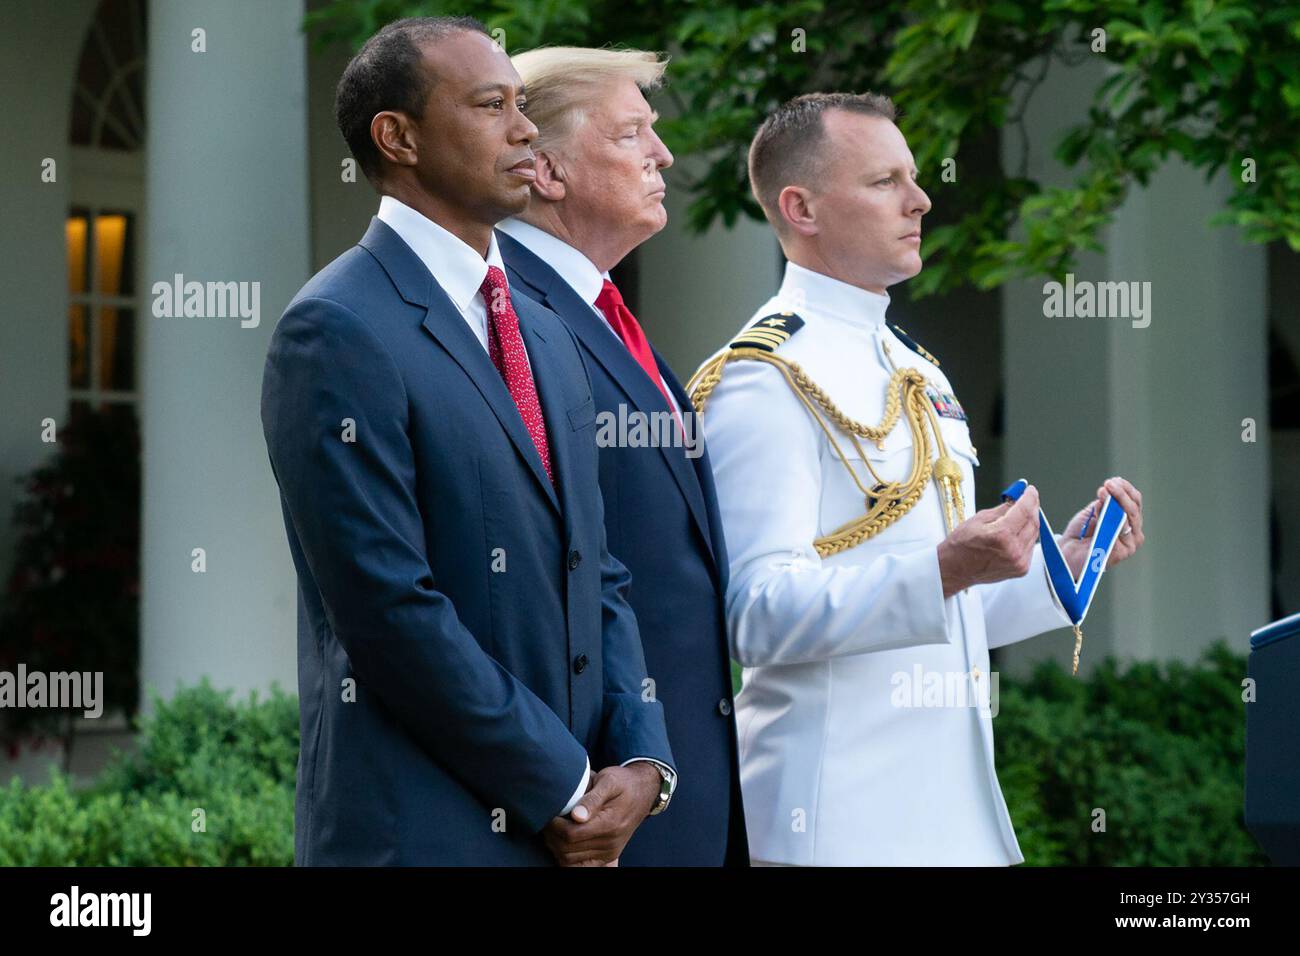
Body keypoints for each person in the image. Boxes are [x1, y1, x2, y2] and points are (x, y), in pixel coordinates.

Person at [690, 92, 1147, 866]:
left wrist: (1059, 565)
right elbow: (756, 616)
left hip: (953, 816)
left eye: (912, 175)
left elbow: (947, 616)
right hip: (832, 826)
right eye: (884, 181)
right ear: (801, 207)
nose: (921, 197)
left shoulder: (913, 365)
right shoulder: (765, 376)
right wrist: (944, 567)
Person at [260, 16, 673, 866]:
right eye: (492, 105)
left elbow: (598, 566)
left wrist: (640, 756)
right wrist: (561, 783)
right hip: (424, 834)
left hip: (578, 829)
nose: (525, 129)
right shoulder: (335, 329)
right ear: (398, 136)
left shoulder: (544, 330)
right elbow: (388, 612)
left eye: (524, 105)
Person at [497, 46, 747, 866]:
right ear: (545, 168)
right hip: (604, 801)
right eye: (631, 131)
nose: (663, 153)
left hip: (675, 785)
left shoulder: (597, 311)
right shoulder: (513, 319)